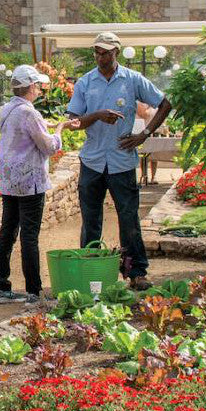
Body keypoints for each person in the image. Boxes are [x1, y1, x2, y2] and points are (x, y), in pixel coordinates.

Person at [65, 32, 171, 291]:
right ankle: (91, 272)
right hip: (92, 160)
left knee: (128, 217)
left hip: (122, 161)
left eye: (106, 52)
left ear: (117, 53)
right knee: (91, 219)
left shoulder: (132, 80)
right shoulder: (85, 83)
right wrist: (97, 115)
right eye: (97, 52)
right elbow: (74, 123)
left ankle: (136, 271)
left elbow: (165, 103)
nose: (101, 57)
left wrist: (143, 135)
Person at [0, 65, 78, 305]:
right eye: (38, 85)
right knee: (30, 235)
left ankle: (0, 285)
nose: (40, 89)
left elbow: (26, 130)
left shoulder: (9, 109)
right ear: (30, 87)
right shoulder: (30, 114)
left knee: (8, 232)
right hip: (29, 182)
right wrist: (60, 128)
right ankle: (33, 291)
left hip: (10, 181)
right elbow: (49, 147)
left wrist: (47, 125)